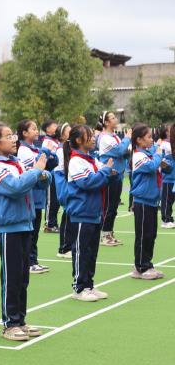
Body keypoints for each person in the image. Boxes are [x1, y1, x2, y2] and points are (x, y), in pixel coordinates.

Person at [0, 122, 49, 341]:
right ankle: (10, 323)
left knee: (22, 276)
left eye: (13, 136)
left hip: (24, 223)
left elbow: (30, 183)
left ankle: (20, 320)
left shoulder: (14, 162)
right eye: (9, 137)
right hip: (9, 227)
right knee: (11, 277)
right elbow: (16, 187)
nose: (14, 139)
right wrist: (36, 171)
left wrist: (42, 176)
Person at [64, 125, 116, 302]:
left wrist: (109, 172)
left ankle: (89, 285)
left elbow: (105, 175)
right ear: (79, 140)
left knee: (92, 251)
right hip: (81, 213)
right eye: (90, 136)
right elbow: (88, 182)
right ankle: (78, 288)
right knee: (81, 251)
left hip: (94, 212)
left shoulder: (91, 160)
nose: (94, 139)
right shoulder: (76, 161)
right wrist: (105, 171)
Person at [130, 123, 166, 280]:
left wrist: (164, 162)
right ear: (139, 140)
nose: (152, 139)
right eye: (149, 137)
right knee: (143, 235)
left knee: (151, 234)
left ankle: (147, 263)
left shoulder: (147, 154)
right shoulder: (138, 155)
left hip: (151, 200)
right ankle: (140, 267)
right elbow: (151, 167)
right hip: (142, 201)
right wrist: (158, 155)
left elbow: (161, 166)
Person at [16, 120, 51, 274]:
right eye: (33, 129)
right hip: (32, 195)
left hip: (38, 194)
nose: (37, 131)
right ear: (24, 133)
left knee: (35, 231)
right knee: (31, 231)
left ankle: (33, 260)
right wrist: (46, 153)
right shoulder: (24, 150)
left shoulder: (34, 149)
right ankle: (29, 261)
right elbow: (32, 169)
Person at [97, 111, 132, 246]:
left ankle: (109, 232)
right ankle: (104, 235)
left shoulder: (114, 137)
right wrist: (127, 138)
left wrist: (126, 152)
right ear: (106, 122)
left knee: (113, 206)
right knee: (108, 206)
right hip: (109, 176)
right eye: (112, 118)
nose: (115, 119)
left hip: (117, 175)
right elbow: (119, 151)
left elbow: (122, 152)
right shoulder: (105, 137)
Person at [53, 123, 72, 258]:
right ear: (61, 135)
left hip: (67, 180)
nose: (71, 131)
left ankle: (68, 245)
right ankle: (64, 248)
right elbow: (62, 170)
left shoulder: (69, 148)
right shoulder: (60, 150)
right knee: (67, 212)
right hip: (63, 181)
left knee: (70, 213)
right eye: (68, 130)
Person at [159, 124, 175, 228]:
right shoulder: (164, 144)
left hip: (173, 177)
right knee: (166, 199)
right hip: (168, 177)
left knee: (171, 199)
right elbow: (162, 160)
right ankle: (165, 219)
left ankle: (169, 217)